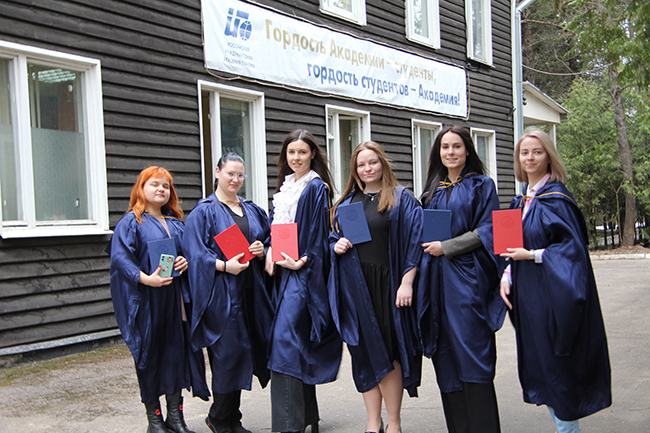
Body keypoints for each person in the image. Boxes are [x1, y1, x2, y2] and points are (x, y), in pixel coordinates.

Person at [499, 128, 611, 433]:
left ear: (548, 157)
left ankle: (568, 430)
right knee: (543, 366)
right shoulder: (520, 201)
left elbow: (573, 252)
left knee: (558, 366)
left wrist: (531, 255)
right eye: (525, 152)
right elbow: (510, 248)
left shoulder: (557, 199)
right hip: (528, 296)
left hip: (552, 296)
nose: (530, 158)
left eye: (537, 152)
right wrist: (507, 274)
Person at [329, 141, 422, 433]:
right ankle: (373, 422)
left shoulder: (400, 198)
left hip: (388, 285)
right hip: (357, 286)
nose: (367, 168)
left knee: (388, 352)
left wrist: (407, 281)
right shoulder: (348, 203)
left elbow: (415, 242)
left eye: (372, 162)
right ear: (354, 170)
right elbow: (332, 238)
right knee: (363, 353)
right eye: (361, 164)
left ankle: (394, 422)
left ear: (383, 163)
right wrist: (337, 245)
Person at [417, 125, 505, 433]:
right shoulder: (432, 190)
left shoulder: (482, 186)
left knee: (472, 350)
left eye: (456, 146)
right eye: (445, 147)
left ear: (467, 150)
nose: (450, 152)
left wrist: (448, 247)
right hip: (436, 282)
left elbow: (489, 230)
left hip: (468, 280)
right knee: (446, 354)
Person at [108, 166, 209, 433]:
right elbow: (120, 259)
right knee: (150, 357)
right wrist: (145, 279)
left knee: (175, 355)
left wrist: (184, 262)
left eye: (165, 186)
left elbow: (187, 254)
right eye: (155, 184)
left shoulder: (176, 223)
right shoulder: (131, 222)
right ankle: (155, 421)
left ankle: (175, 417)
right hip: (147, 301)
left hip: (175, 301)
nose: (161, 189)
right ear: (141, 188)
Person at [182, 153, 274, 433]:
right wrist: (223, 265)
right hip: (221, 296)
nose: (235, 179)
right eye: (230, 173)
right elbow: (194, 254)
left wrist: (262, 250)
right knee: (227, 356)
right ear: (217, 173)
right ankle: (219, 418)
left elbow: (268, 238)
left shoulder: (252, 210)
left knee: (244, 354)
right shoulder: (204, 212)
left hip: (251, 293)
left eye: (240, 175)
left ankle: (233, 418)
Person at [265, 129, 342, 433]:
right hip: (283, 272)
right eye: (291, 152)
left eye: (302, 152)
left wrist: (305, 260)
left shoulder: (315, 188)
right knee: (293, 342)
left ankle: (289, 425)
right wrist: (269, 249)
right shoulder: (287, 186)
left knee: (284, 342)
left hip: (302, 275)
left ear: (312, 155)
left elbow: (319, 235)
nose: (296, 158)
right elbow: (279, 228)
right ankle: (307, 416)